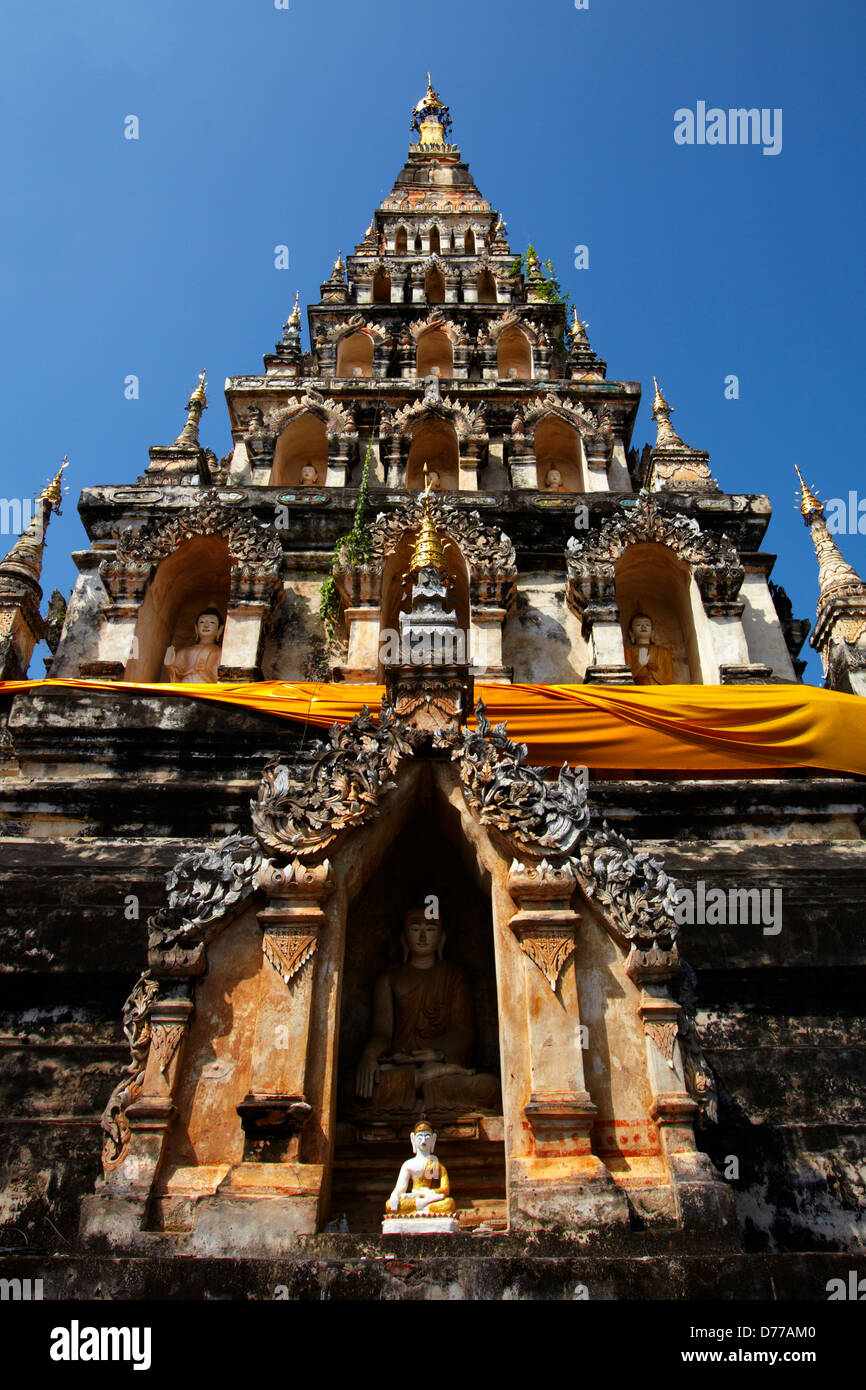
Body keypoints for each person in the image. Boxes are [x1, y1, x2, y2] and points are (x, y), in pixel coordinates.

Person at [355, 908, 500, 1114]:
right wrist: (369, 1057)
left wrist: (437, 1054)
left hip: (440, 1068)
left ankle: (419, 1085)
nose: (422, 937)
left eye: (430, 929)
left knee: (488, 1088)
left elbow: (463, 1032)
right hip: (401, 1064)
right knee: (349, 1089)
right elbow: (382, 1033)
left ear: (441, 939)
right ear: (404, 938)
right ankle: (420, 1082)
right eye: (415, 929)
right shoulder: (390, 978)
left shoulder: (454, 977)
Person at [386, 1120, 456, 1217]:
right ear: (413, 1139)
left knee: (449, 1204)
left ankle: (421, 1207)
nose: (423, 1141)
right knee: (389, 1205)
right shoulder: (408, 1164)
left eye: (427, 1137)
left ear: (433, 1139)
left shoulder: (436, 1164)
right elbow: (400, 1188)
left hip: (430, 1197)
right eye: (420, 1137)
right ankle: (424, 1206)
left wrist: (430, 1192)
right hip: (415, 1197)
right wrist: (394, 1196)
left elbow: (445, 1189)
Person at [164, 608, 224, 683]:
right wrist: (169, 666)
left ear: (220, 629)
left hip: (207, 686)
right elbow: (176, 675)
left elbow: (222, 678)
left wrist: (205, 673)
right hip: (187, 684)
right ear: (196, 628)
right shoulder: (184, 652)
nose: (206, 625)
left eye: (212, 622)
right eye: (202, 622)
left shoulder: (221, 653)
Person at [623, 611, 675, 685]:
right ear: (631, 633)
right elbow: (625, 679)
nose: (643, 627)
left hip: (659, 690)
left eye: (647, 625)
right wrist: (639, 665)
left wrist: (654, 674)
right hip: (639, 690)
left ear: (652, 632)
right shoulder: (627, 651)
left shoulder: (664, 652)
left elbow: (670, 680)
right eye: (638, 625)